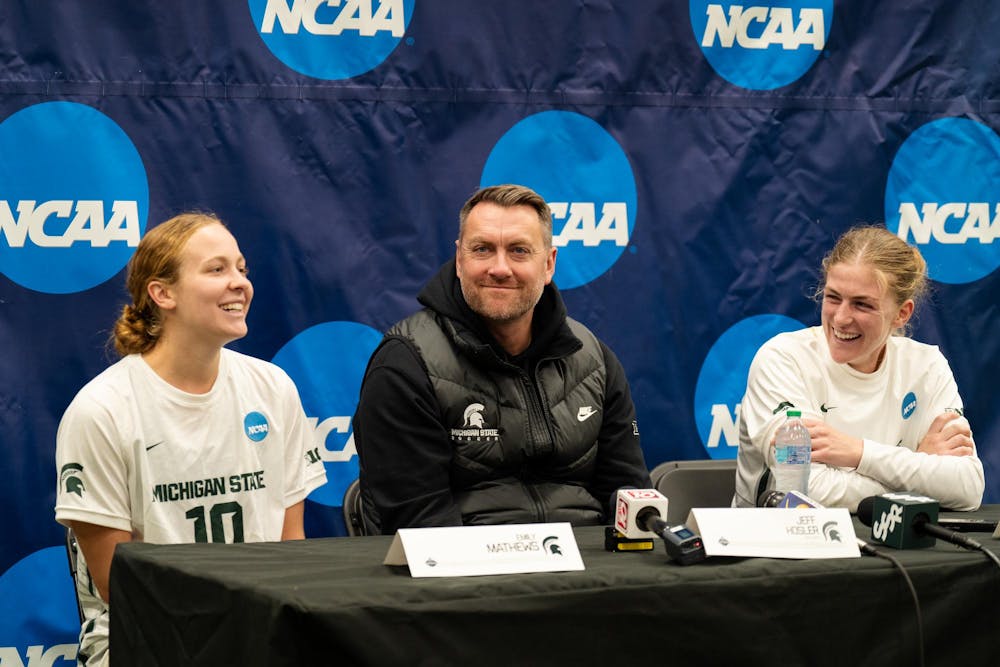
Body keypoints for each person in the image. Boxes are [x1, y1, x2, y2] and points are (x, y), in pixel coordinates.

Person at [54, 212, 327, 667]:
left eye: (241, 267)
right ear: (162, 294)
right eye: (216, 269)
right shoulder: (101, 410)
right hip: (147, 639)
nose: (239, 282)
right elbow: (117, 586)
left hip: (259, 632)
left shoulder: (273, 388)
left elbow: (289, 551)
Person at [354, 184, 650, 534]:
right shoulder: (406, 364)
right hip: (468, 577)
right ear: (460, 260)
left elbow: (628, 500)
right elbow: (422, 527)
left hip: (587, 573)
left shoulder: (594, 360)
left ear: (549, 264)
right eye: (482, 249)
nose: (499, 268)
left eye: (518, 251)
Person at [733, 225, 984, 512]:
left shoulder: (927, 366)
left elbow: (968, 487)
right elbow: (802, 491)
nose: (840, 318)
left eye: (862, 305)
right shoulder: (783, 359)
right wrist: (918, 463)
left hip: (889, 549)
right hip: (776, 550)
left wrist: (858, 452)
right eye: (833, 297)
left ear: (902, 313)